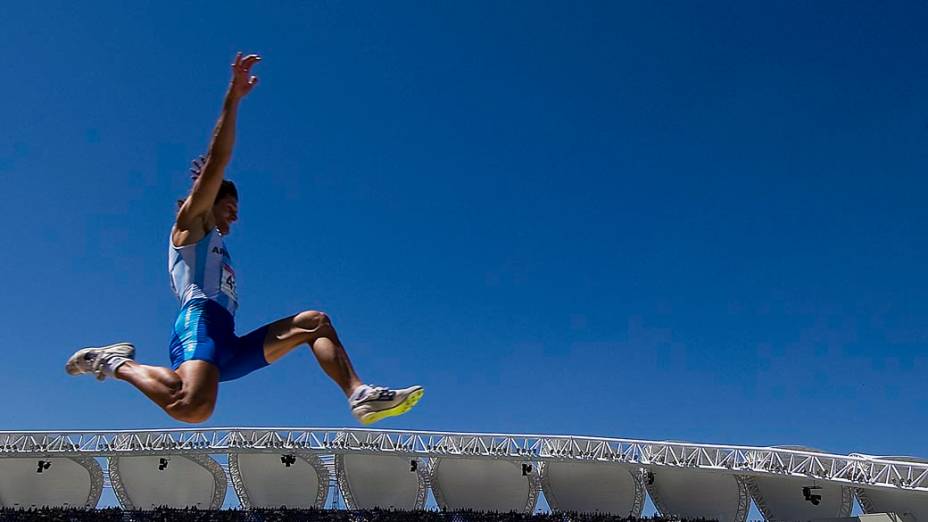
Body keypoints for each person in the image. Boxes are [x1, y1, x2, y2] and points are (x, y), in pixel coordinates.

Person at [66, 52, 423, 424]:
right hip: (200, 323)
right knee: (191, 407)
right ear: (210, 198)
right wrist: (232, 100)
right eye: (230, 205)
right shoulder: (191, 224)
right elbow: (218, 160)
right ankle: (113, 361)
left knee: (314, 322)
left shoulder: (216, 241)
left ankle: (358, 394)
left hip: (229, 342)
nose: (235, 214)